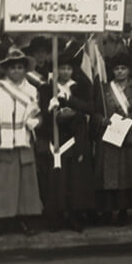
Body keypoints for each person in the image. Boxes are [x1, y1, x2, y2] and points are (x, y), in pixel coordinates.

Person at [0, 47, 44, 238]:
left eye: (20, 67)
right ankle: (1, 221)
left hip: (23, 143)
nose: (16, 71)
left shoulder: (32, 91)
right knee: (1, 185)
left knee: (24, 185)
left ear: (25, 70)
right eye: (12, 68)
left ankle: (23, 220)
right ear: (6, 71)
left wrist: (36, 122)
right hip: (2, 143)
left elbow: (39, 115)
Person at [41, 49, 97, 232]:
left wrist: (70, 101)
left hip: (75, 139)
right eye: (61, 69)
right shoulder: (47, 88)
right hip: (55, 139)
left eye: (68, 68)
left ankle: (74, 217)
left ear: (73, 70)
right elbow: (40, 115)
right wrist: (51, 111)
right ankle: (55, 217)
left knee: (74, 180)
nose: (65, 72)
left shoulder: (80, 87)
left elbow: (90, 108)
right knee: (57, 180)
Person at [95, 52, 132, 226]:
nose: (119, 72)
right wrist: (102, 120)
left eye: (123, 68)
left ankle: (125, 210)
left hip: (129, 137)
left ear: (129, 70)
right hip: (111, 137)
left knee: (128, 174)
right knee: (110, 175)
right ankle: (108, 209)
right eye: (117, 69)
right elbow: (95, 111)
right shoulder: (104, 89)